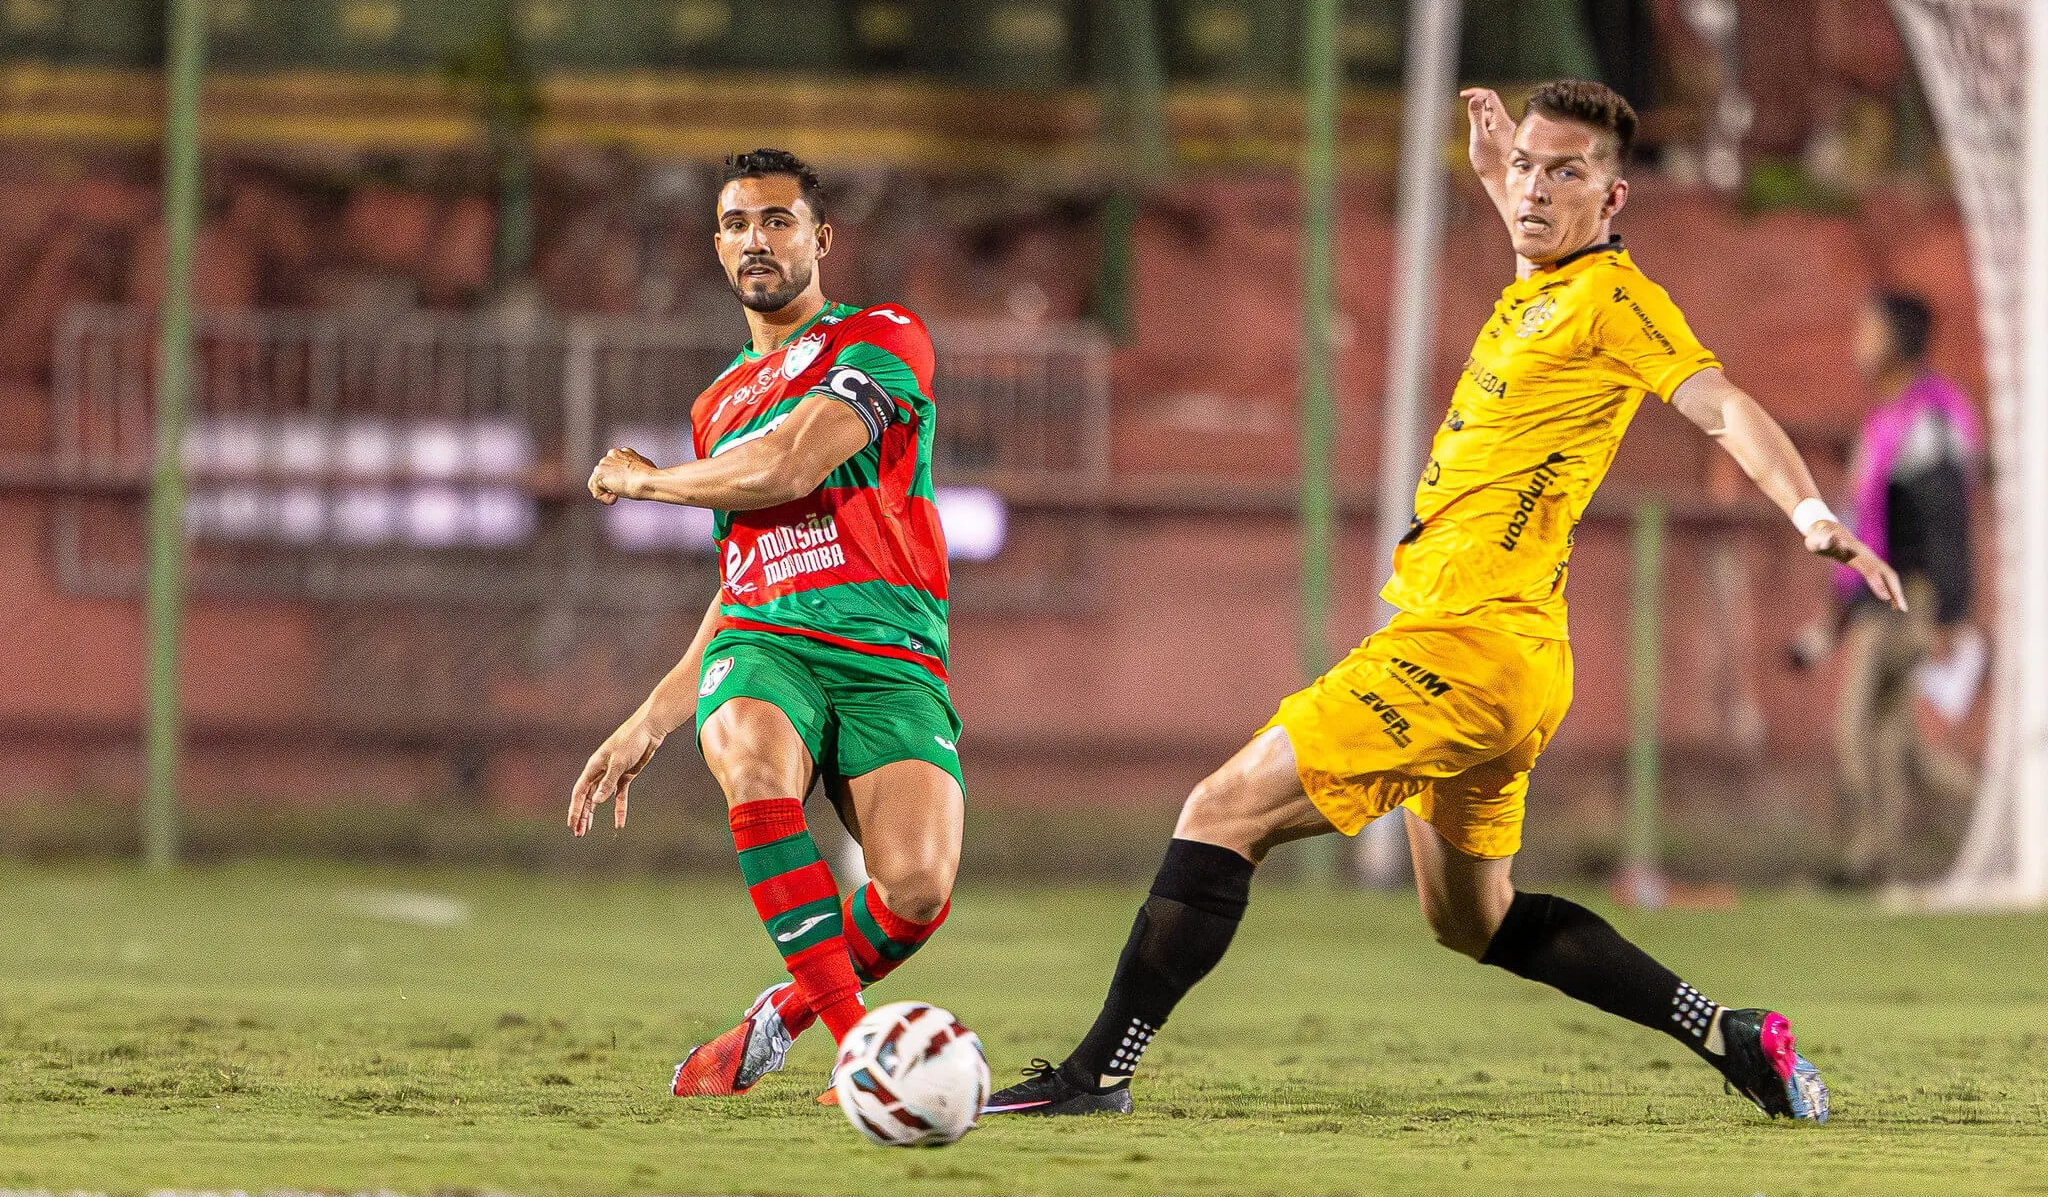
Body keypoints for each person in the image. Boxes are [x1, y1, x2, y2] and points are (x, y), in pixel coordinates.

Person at [985, 80, 1907, 1125]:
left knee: (1218, 811)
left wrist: (1807, 513)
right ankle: (1725, 1033)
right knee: (1471, 920)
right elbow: (1525, 221)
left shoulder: (1615, 301)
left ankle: (1094, 1072)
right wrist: (1494, 166)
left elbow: (1719, 403)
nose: (1535, 189)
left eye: (1568, 174)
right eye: (1527, 167)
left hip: (1461, 651)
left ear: (1611, 205)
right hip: (1505, 657)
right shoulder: (1539, 287)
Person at [566, 149, 964, 1100]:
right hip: (767, 644)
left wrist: (646, 478)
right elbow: (737, 581)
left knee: (915, 893)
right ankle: (861, 1044)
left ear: (818, 238)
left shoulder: (884, 336)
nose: (757, 239)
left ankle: (774, 1019)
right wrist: (649, 718)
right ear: (717, 246)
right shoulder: (716, 405)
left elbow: (790, 464)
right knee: (751, 751)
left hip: (889, 653)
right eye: (738, 224)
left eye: (777, 220)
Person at [1829, 292, 1981, 885]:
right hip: (1876, 597)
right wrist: (1834, 616)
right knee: (1896, 740)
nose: (1857, 341)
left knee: (1860, 726)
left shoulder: (1930, 420)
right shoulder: (1886, 418)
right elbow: (1862, 521)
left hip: (1908, 600)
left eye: (1867, 329)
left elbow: (1948, 518)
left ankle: (1881, 854)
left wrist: (1951, 610)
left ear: (1895, 342)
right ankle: (1901, 854)